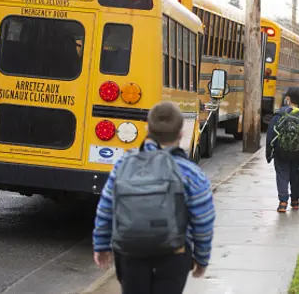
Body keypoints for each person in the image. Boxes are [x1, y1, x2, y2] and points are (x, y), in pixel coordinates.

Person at [92, 101, 215, 294]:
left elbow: (106, 207)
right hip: (174, 256)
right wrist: (201, 258)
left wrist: (101, 246)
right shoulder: (191, 172)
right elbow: (203, 220)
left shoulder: (124, 163)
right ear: (181, 134)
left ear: (147, 129)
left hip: (130, 254)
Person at [266, 87, 299, 213]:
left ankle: (282, 202)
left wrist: (269, 153)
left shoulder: (279, 114)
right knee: (295, 175)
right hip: (298, 153)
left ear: (288, 99)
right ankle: (295, 201)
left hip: (280, 152)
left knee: (282, 175)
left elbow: (270, 134)